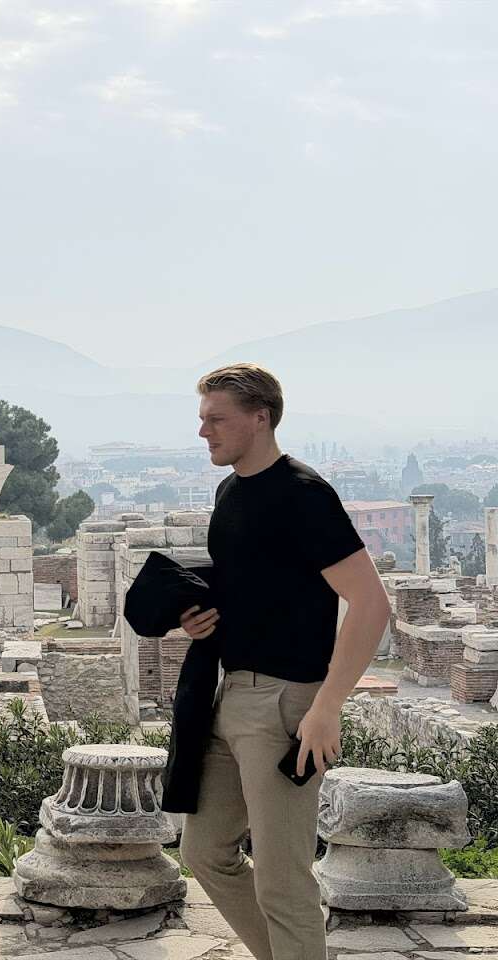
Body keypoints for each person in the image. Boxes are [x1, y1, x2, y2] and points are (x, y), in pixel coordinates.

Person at [176, 363, 390, 960]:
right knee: (204, 850)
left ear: (259, 417)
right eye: (202, 419)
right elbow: (254, 585)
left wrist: (327, 708)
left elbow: (371, 604)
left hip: (288, 705)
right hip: (228, 698)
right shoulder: (229, 491)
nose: (204, 433)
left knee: (282, 879)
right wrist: (203, 619)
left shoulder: (303, 494)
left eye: (216, 419)